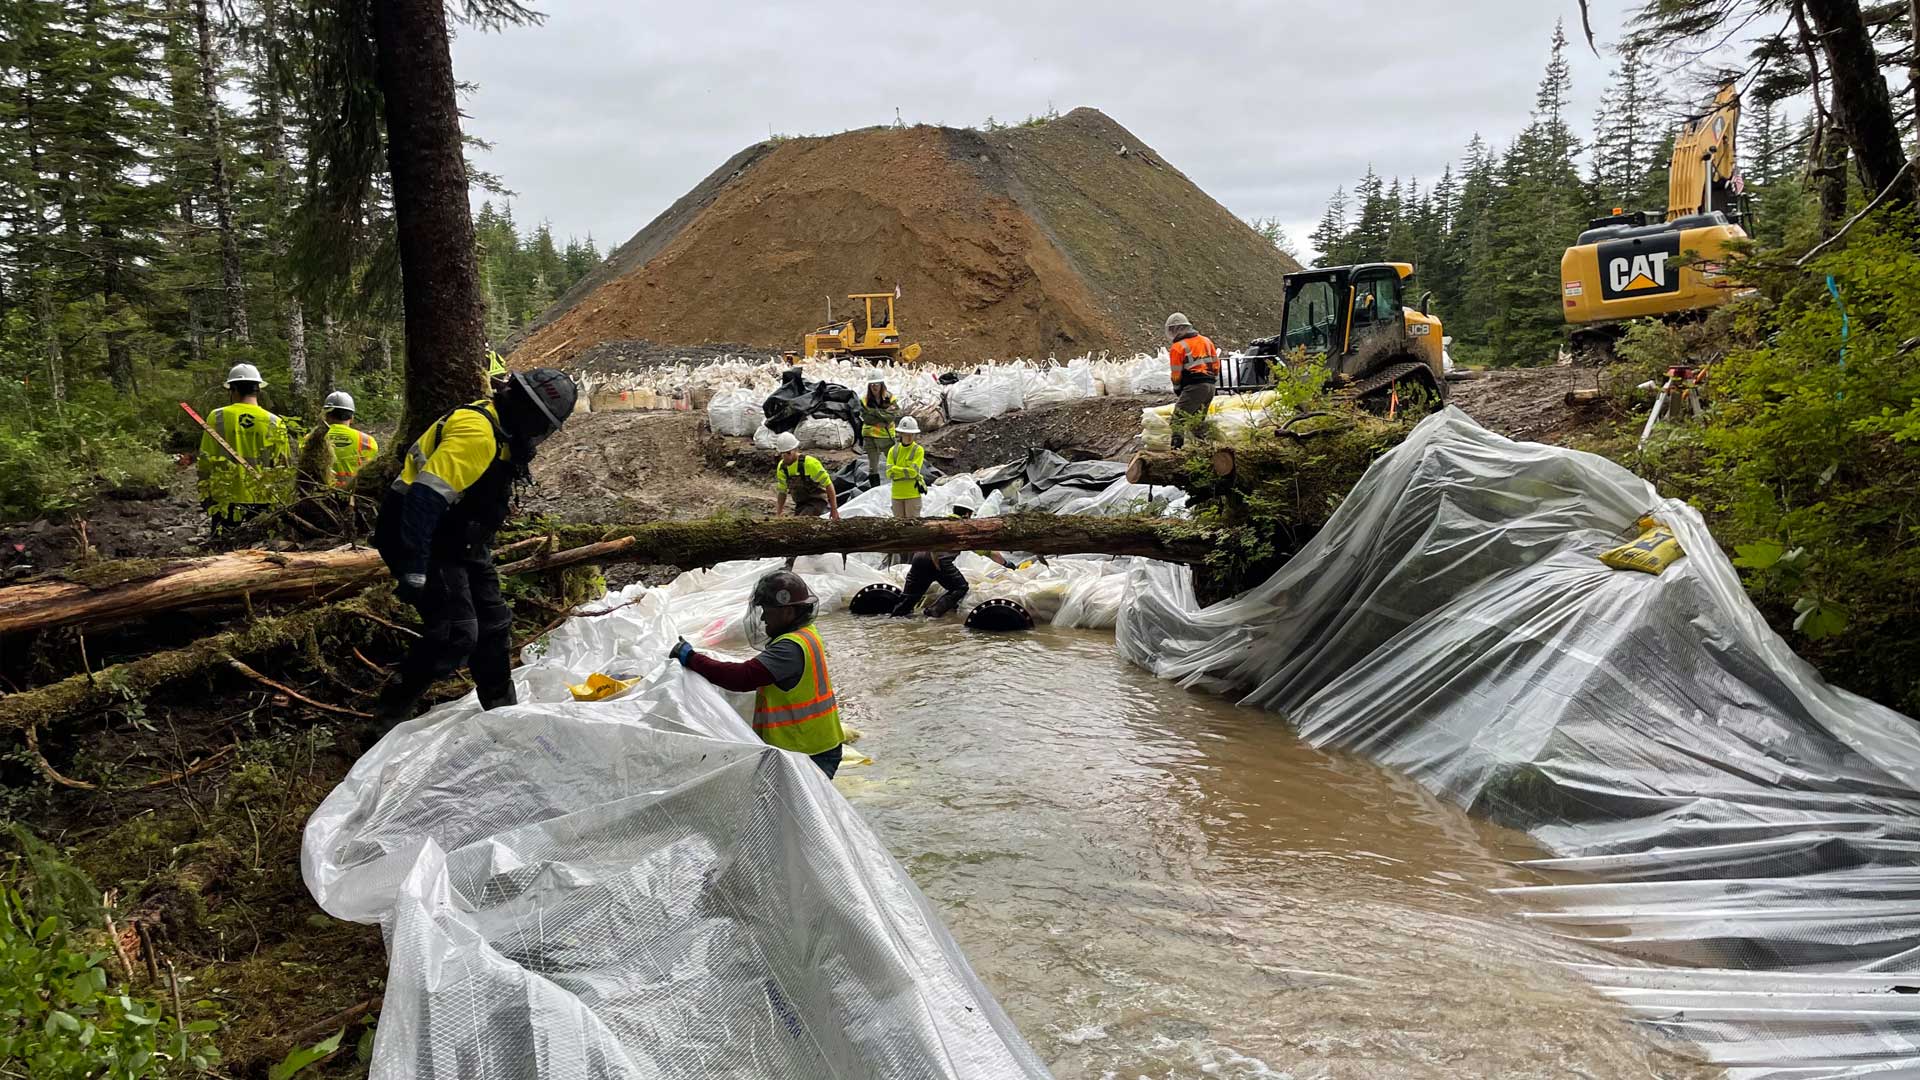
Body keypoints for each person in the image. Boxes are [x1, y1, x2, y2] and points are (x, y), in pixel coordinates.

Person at [368, 368, 579, 727]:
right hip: (424, 535)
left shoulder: (504, 432)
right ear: (524, 409)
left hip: (460, 539)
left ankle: (502, 711)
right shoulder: (477, 434)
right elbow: (423, 498)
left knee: (494, 623)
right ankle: (386, 715)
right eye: (539, 424)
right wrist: (415, 566)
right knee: (455, 631)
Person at [668, 571, 846, 778]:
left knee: (794, 810)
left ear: (787, 612)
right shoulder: (806, 634)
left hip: (808, 751)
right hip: (814, 745)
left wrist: (691, 658)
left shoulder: (790, 648)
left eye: (767, 610)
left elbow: (742, 677)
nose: (762, 617)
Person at [196, 362, 291, 539]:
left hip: (225, 498)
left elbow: (205, 460)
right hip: (263, 498)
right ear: (258, 390)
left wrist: (204, 493)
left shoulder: (217, 416)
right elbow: (282, 466)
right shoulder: (275, 422)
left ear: (233, 390)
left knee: (222, 550)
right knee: (261, 553)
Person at [1165, 312, 1221, 449]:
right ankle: (1205, 451)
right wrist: (1212, 381)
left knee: (1177, 420)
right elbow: (1216, 366)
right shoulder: (1206, 341)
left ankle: (1176, 452)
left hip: (1194, 386)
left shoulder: (1178, 347)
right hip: (1210, 386)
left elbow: (1176, 373)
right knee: (1197, 423)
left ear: (1173, 330)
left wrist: (1177, 389)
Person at [773, 432, 841, 520]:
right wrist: (779, 512)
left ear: (795, 449)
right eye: (782, 454)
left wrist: (834, 510)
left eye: (788, 453)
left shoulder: (810, 464)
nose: (785, 457)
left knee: (799, 523)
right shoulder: (782, 468)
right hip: (801, 504)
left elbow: (828, 485)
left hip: (817, 502)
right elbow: (782, 492)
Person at [322, 391, 379, 488]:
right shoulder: (367, 441)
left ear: (326, 416)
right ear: (352, 417)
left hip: (317, 493)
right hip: (354, 494)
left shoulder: (309, 439)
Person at [859, 377, 899, 487]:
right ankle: (875, 490)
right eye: (872, 384)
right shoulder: (865, 400)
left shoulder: (890, 398)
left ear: (881, 384)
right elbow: (866, 418)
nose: (874, 387)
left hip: (887, 437)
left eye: (876, 384)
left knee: (894, 463)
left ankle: (898, 486)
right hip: (870, 437)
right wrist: (883, 414)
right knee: (873, 468)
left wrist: (875, 413)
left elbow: (892, 415)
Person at [886, 416, 926, 518]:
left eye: (912, 434)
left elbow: (913, 472)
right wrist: (905, 471)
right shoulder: (893, 450)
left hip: (912, 495)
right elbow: (889, 473)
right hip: (896, 495)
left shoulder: (918, 450)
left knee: (913, 528)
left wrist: (896, 469)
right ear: (901, 434)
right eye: (907, 434)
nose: (909, 437)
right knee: (899, 527)